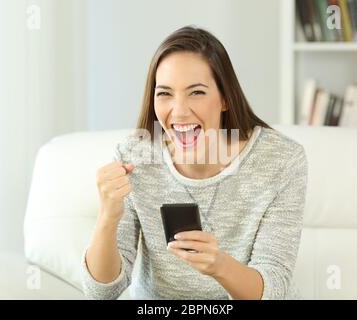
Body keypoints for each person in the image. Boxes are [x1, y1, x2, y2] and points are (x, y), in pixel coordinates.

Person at [81, 26, 308, 300]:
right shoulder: (136, 157)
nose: (179, 111)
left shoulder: (280, 160)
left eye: (196, 92)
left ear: (225, 98)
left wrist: (219, 266)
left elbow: (274, 290)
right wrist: (107, 217)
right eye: (165, 93)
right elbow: (100, 292)